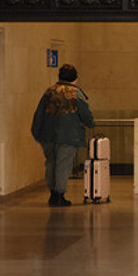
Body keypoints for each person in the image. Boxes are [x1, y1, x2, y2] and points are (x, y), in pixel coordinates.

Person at [31, 63, 95, 206]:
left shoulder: (49, 92)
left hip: (47, 136)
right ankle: (59, 195)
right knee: (63, 165)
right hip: (69, 136)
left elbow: (39, 114)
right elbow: (85, 113)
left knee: (51, 163)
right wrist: (90, 123)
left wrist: (36, 133)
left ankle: (52, 195)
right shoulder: (75, 93)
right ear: (75, 78)